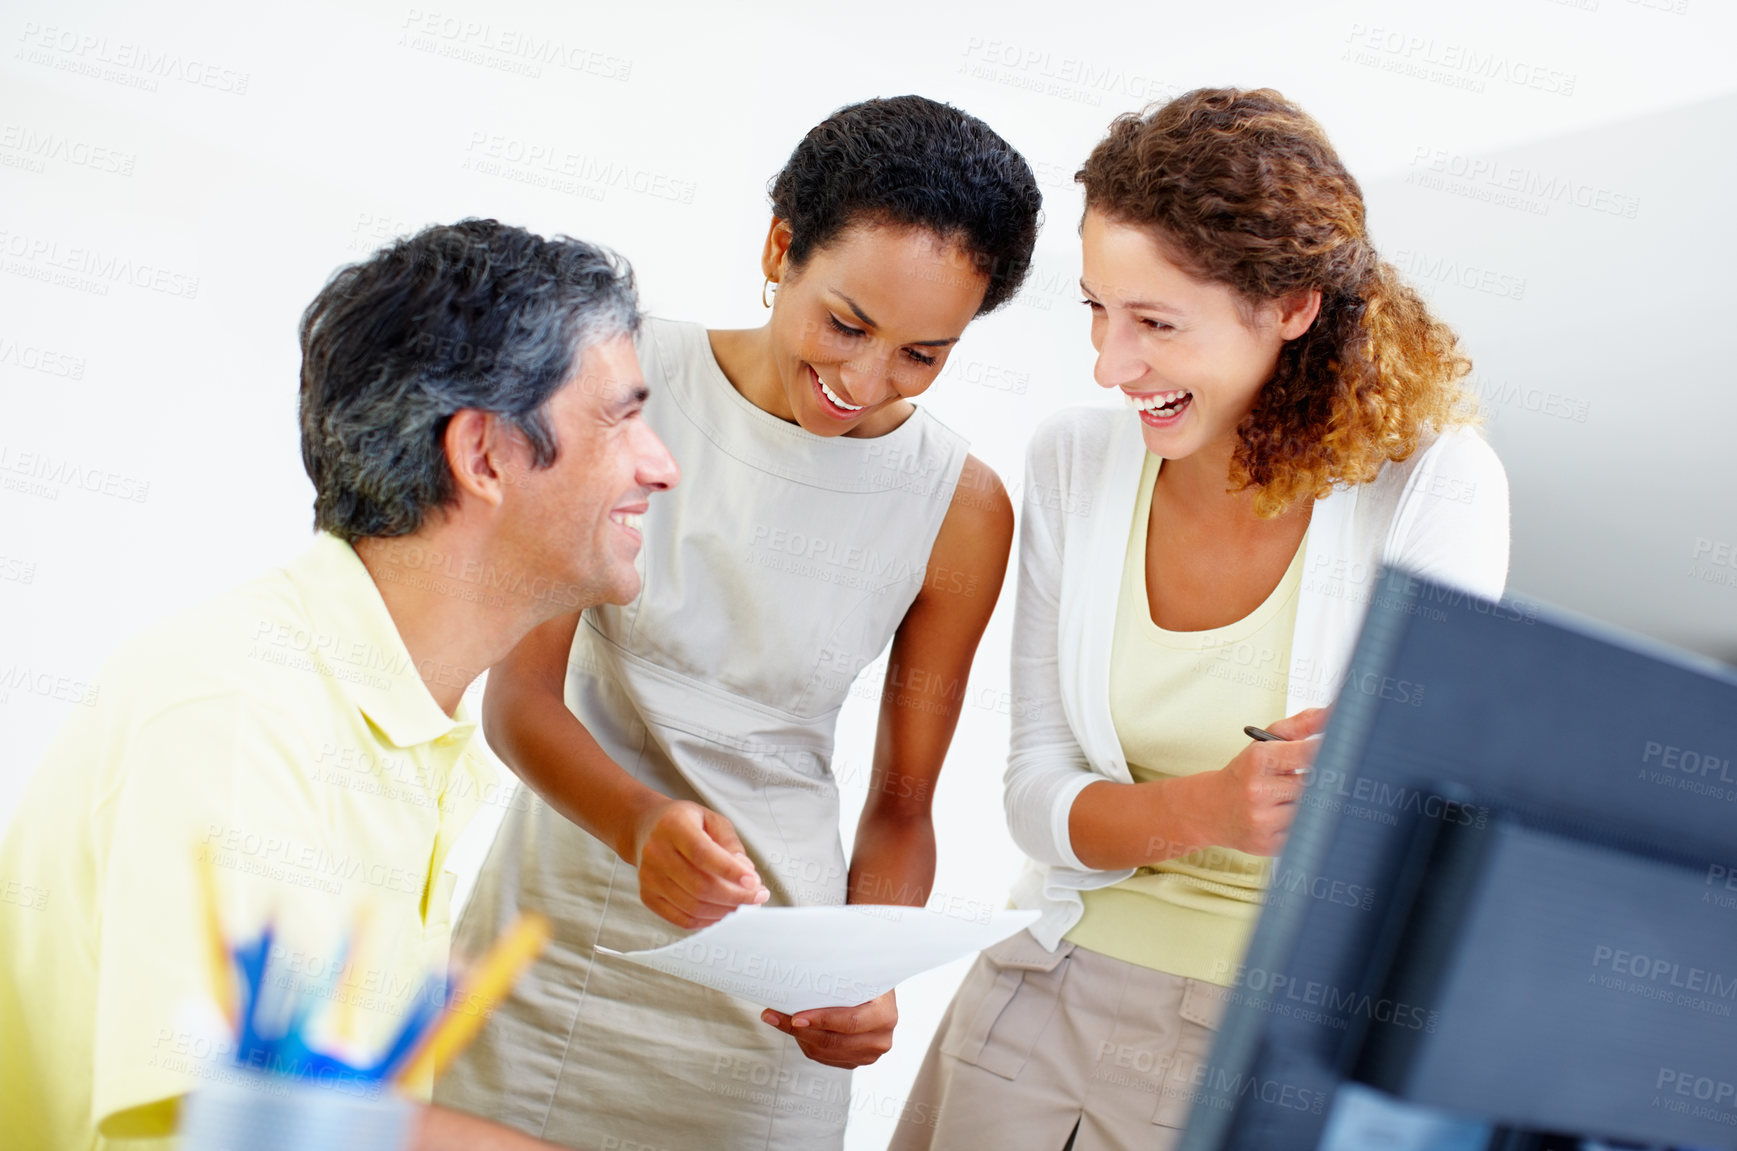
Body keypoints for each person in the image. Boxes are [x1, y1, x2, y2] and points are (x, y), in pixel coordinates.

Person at [891, 88, 1511, 1151]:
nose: (1109, 363)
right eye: (1096, 307)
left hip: (1267, 1040)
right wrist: (1215, 808)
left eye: (1156, 323)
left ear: (1292, 307)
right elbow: (1037, 798)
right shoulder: (1078, 462)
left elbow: (1411, 838)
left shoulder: (1429, 488)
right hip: (1037, 997)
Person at [433, 95, 1042, 1150]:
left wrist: (867, 972)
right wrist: (638, 824)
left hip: (772, 990)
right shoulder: (622, 386)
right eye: (846, 324)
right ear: (779, 247)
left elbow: (902, 808)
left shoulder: (959, 504)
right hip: (549, 955)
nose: (863, 380)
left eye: (922, 354)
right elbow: (518, 699)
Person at [0, 219, 679, 1151]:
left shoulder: (400, 727)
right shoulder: (241, 717)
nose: (662, 465)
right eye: (620, 417)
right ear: (482, 455)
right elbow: (241, 1138)